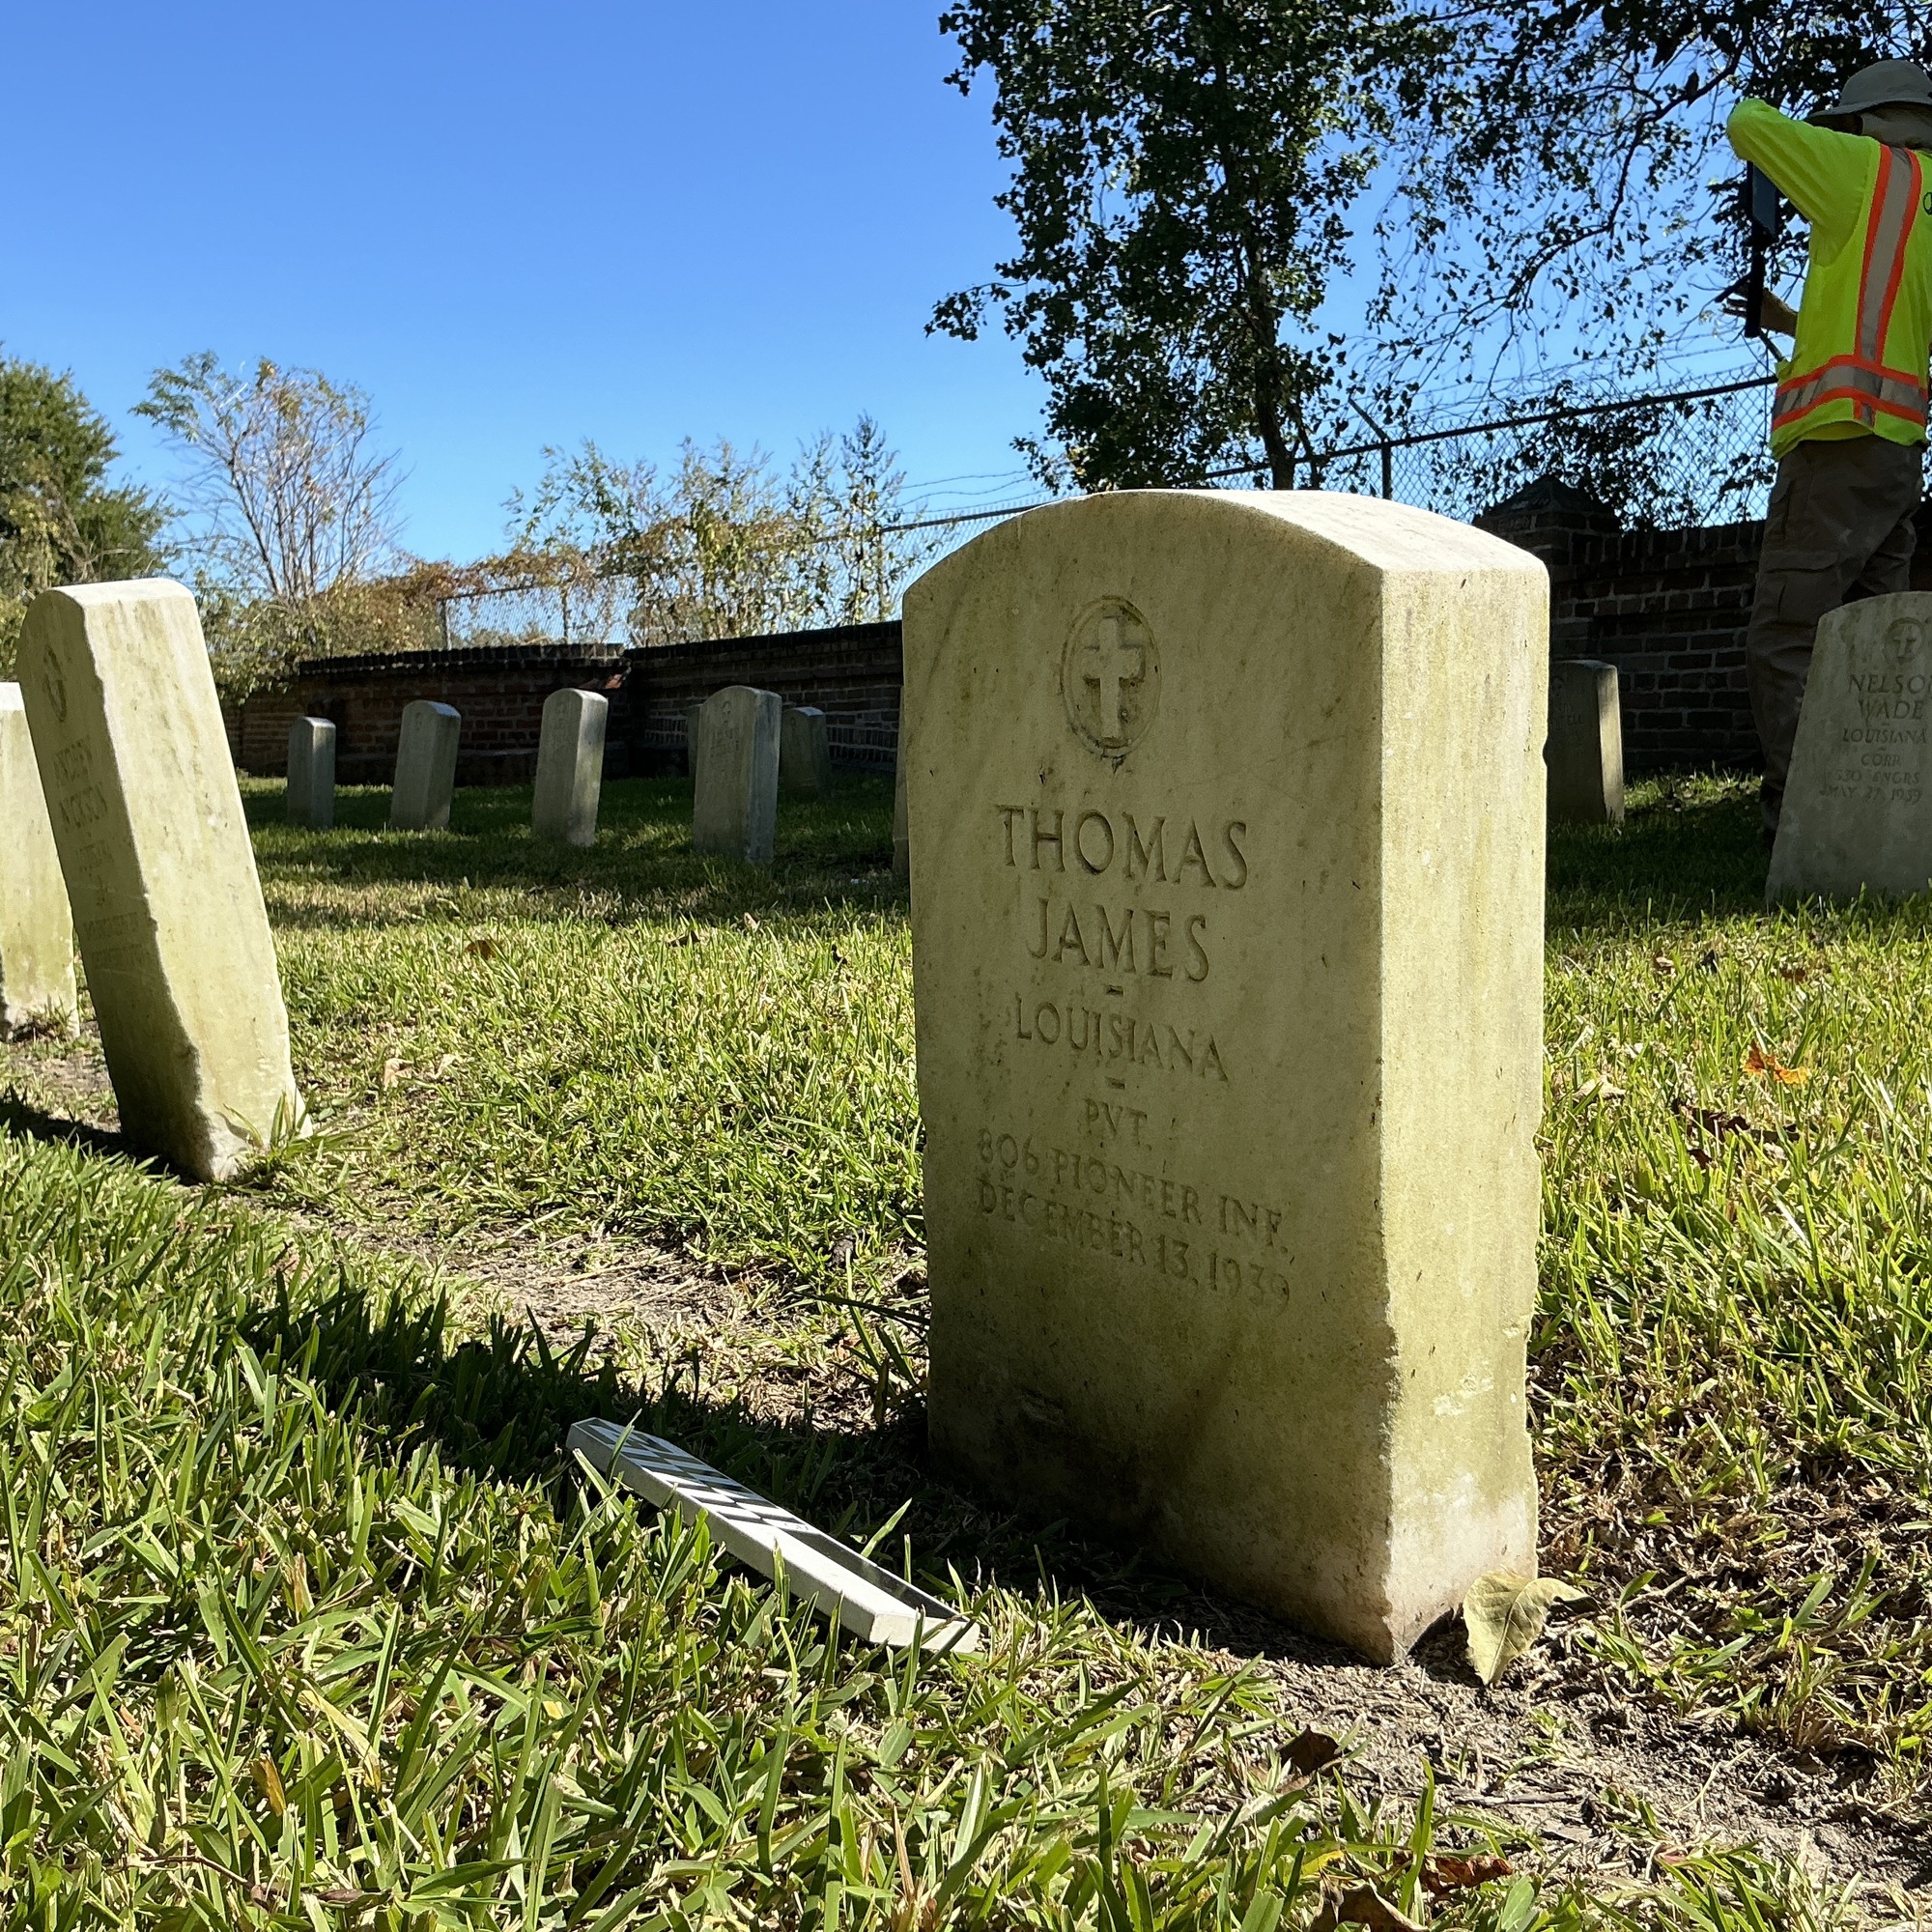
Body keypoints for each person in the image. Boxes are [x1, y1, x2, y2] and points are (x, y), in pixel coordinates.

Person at [1728, 61, 1932, 841]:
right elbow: (1889, 322)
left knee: (1786, 636)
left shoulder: (1863, 170)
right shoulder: (1923, 199)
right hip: (1896, 453)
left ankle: (1805, 821)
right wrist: (1787, 319)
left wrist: (1783, 118)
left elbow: (1747, 123)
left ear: (1866, 123)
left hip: (1836, 448)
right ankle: (1890, 818)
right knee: (1883, 641)